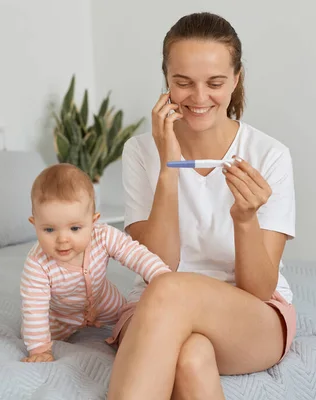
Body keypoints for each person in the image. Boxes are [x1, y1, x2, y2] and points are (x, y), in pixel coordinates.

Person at [106, 12, 297, 400]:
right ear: (166, 81)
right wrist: (168, 167)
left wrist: (245, 219)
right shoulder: (141, 152)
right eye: (182, 83)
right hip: (155, 307)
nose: (198, 98)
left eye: (215, 83)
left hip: (249, 315)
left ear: (236, 80)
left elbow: (260, 289)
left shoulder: (270, 155)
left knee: (171, 290)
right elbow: (159, 264)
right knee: (192, 356)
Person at [19, 163, 172, 363]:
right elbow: (34, 309)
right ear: (35, 224)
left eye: (74, 228)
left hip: (105, 301)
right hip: (60, 317)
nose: (62, 239)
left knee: (131, 320)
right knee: (33, 331)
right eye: (49, 230)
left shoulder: (103, 236)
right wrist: (39, 349)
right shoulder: (37, 264)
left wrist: (161, 275)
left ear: (93, 222)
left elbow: (135, 254)